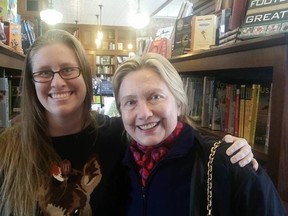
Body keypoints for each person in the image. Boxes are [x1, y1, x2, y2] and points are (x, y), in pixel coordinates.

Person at [0, 29, 256, 216]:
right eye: (44, 73)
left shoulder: (116, 134)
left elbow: (168, 129)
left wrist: (227, 147)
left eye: (68, 69)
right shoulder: (6, 149)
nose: (57, 82)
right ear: (31, 82)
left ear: (86, 76)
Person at [112, 53, 286, 216]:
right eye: (130, 102)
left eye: (155, 97)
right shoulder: (120, 164)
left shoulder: (230, 162)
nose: (144, 113)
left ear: (179, 103)